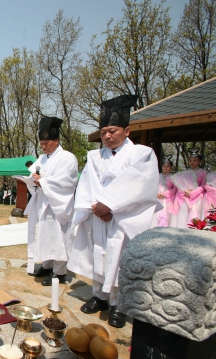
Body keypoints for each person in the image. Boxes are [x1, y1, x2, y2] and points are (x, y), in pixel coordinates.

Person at [67, 95, 161, 328]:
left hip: (123, 218)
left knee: (118, 258)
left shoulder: (142, 154)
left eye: (113, 131)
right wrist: (96, 207)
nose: (107, 136)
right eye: (104, 132)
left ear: (127, 130)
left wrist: (110, 205)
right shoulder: (95, 156)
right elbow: (86, 185)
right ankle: (99, 296)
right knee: (98, 254)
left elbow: (140, 185)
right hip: (98, 215)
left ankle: (119, 303)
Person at [24, 117, 78, 285]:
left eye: (47, 142)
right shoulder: (42, 158)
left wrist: (43, 181)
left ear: (56, 140)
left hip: (58, 204)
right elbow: (33, 173)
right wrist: (32, 179)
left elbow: (66, 181)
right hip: (43, 202)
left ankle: (59, 271)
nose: (44, 145)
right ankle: (47, 265)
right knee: (45, 235)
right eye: (41, 142)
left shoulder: (67, 158)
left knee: (58, 236)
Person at [171, 148, 207, 228]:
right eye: (190, 160)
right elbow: (180, 185)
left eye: (195, 160)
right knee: (183, 214)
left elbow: (203, 186)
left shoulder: (204, 172)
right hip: (185, 196)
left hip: (197, 197)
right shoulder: (185, 172)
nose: (192, 162)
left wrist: (192, 193)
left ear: (200, 161)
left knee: (195, 214)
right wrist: (185, 192)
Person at [151, 155, 177, 227]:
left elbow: (175, 188)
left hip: (168, 199)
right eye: (164, 166)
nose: (165, 168)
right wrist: (157, 193)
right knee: (156, 215)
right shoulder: (157, 175)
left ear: (171, 167)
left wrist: (165, 194)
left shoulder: (173, 177)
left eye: (168, 166)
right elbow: (153, 186)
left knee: (167, 216)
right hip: (158, 198)